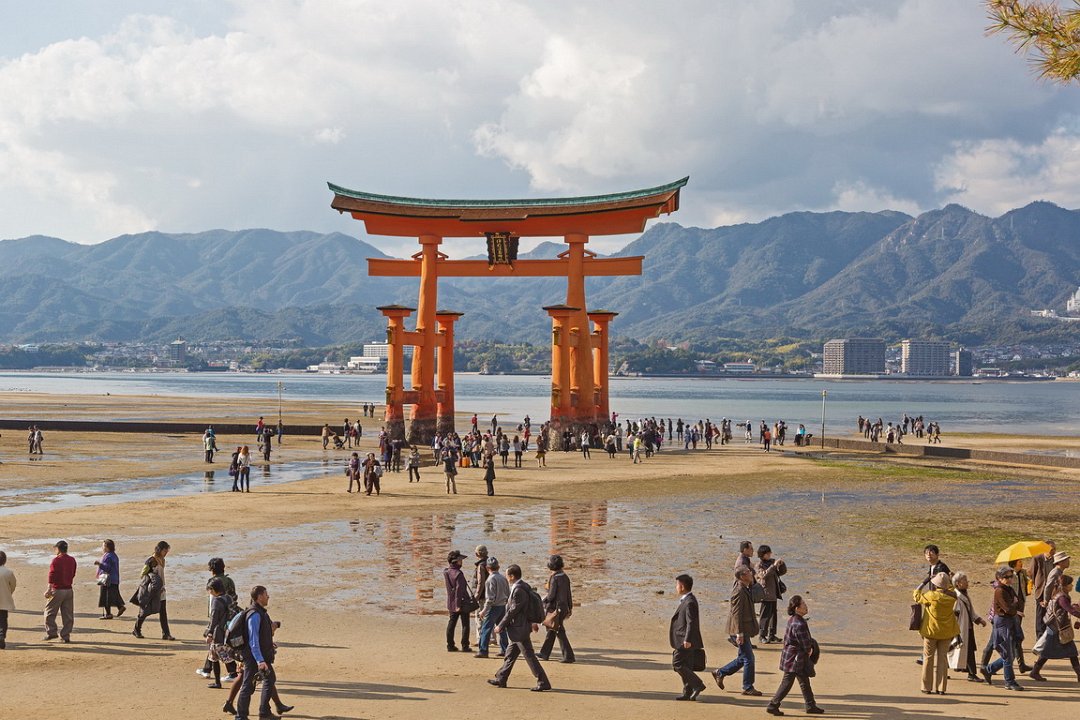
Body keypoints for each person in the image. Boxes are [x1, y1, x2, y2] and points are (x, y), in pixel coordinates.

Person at [488, 564, 551, 691]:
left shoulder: (519, 590)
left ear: (512, 576)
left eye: (507, 575)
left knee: (529, 656)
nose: (506, 577)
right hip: (518, 627)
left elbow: (513, 611)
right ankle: (502, 677)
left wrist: (500, 625)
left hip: (519, 628)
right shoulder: (522, 586)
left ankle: (543, 681)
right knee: (510, 655)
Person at [766, 595, 824, 715]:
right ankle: (773, 704)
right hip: (795, 658)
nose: (806, 606)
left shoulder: (793, 619)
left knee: (804, 681)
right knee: (787, 682)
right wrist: (810, 650)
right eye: (803, 604)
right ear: (797, 608)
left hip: (792, 656)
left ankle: (810, 705)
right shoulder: (799, 623)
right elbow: (805, 643)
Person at [236, 585, 283, 720]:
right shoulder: (255, 615)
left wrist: (269, 644)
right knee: (248, 686)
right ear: (260, 597)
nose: (268, 596)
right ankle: (242, 716)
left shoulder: (260, 612)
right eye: (266, 594)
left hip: (259, 655)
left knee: (269, 679)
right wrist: (260, 661)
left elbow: (261, 636)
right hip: (253, 656)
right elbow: (253, 640)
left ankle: (264, 713)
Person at [713, 566, 761, 695]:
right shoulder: (739, 591)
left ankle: (720, 672)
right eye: (748, 572)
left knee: (743, 658)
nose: (751, 573)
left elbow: (758, 597)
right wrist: (739, 633)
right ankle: (748, 687)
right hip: (738, 631)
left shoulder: (746, 587)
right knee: (749, 659)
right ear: (742, 576)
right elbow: (736, 613)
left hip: (742, 630)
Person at [913, 571, 958, 694]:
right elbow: (952, 590)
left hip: (930, 631)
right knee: (943, 659)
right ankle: (941, 688)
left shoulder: (930, 596)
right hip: (946, 632)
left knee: (928, 658)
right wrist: (951, 581)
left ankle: (926, 687)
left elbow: (916, 595)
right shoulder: (952, 597)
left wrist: (924, 581)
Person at [1030, 572, 1080, 681]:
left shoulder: (1060, 594)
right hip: (1056, 628)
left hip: (1056, 627)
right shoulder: (1062, 597)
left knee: (1070, 651)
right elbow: (1069, 610)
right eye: (1070, 584)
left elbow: (1067, 608)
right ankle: (1035, 671)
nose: (1072, 586)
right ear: (1065, 586)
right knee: (1050, 651)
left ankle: (1035, 671)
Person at [982, 565, 1025, 691]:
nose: (1010, 578)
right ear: (999, 578)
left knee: (1009, 655)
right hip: (1002, 623)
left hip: (1009, 621)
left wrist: (1015, 606)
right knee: (1007, 654)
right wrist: (1015, 605)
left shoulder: (1008, 589)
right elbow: (1009, 609)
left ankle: (989, 669)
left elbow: (1015, 606)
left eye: (1011, 576)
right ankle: (1009, 681)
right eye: (1006, 577)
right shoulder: (1000, 591)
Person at [670, 573, 706, 701]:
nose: (676, 587)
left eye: (677, 585)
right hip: (685, 638)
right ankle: (687, 691)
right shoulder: (688, 600)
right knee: (687, 664)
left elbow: (691, 622)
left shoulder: (689, 602)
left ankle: (698, 684)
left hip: (685, 640)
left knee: (677, 663)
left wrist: (687, 639)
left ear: (682, 586)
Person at [948, 572, 987, 682]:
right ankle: (970, 673)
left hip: (966, 627)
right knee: (954, 649)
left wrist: (978, 620)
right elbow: (954, 613)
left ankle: (970, 673)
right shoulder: (957, 596)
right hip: (960, 628)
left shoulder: (964, 594)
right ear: (958, 583)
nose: (967, 582)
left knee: (964, 650)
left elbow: (970, 611)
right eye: (965, 580)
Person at [133, 541, 175, 640]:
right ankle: (136, 629)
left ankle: (166, 634)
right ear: (160, 550)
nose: (166, 553)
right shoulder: (151, 560)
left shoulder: (162, 560)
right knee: (145, 611)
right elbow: (143, 574)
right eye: (165, 550)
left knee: (163, 612)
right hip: (152, 591)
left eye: (167, 550)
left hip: (161, 590)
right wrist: (152, 582)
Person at [538, 554, 574, 663]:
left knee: (558, 631)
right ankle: (544, 653)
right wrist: (570, 607)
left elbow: (551, 596)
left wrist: (541, 602)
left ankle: (569, 656)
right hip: (564, 608)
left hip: (555, 609)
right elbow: (569, 594)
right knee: (552, 629)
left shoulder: (554, 578)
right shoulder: (565, 576)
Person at [476, 556, 510, 659]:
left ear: (487, 568)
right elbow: (508, 593)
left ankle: (483, 651)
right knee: (502, 628)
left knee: (486, 628)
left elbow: (490, 599)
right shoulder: (503, 578)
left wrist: (483, 611)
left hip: (493, 607)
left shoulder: (490, 580)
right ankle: (505, 650)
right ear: (498, 567)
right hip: (502, 606)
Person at [43, 539, 76, 643]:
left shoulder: (56, 560)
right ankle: (66, 635)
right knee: (68, 614)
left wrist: (49, 589)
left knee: (49, 612)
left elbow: (52, 575)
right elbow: (73, 573)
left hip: (58, 589)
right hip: (69, 589)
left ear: (58, 549)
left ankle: (52, 632)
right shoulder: (72, 560)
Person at [756, 545, 787, 644]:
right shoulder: (759, 565)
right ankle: (762, 635)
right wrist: (773, 566)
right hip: (765, 594)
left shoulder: (771, 562)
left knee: (773, 615)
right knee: (765, 615)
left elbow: (781, 573)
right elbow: (763, 576)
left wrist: (781, 565)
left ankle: (772, 635)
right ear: (763, 555)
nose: (770, 554)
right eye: (768, 553)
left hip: (773, 593)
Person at [203, 578, 230, 688]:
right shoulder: (228, 598)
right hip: (228, 631)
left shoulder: (216, 601)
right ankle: (234, 676)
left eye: (210, 590)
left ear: (213, 590)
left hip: (218, 634)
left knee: (214, 657)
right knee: (230, 656)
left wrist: (209, 634)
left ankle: (218, 682)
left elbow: (214, 620)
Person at [444, 550, 473, 652]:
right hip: (462, 602)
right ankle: (465, 646)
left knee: (451, 623)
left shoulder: (446, 572)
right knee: (465, 624)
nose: (462, 562)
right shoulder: (459, 574)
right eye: (460, 560)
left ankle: (450, 645)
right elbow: (459, 590)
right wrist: (458, 604)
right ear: (455, 561)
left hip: (451, 602)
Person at [1030, 540, 1057, 637]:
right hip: (1041, 591)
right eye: (1051, 549)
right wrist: (1037, 584)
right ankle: (1039, 637)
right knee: (1040, 614)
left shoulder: (1055, 560)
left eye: (1054, 549)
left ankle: (1048, 636)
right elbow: (1032, 573)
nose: (1053, 551)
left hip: (1052, 591)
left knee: (1050, 613)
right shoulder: (1037, 559)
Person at [94, 539, 126, 620]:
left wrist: (99, 564)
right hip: (114, 579)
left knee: (105, 596)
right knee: (113, 595)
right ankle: (120, 607)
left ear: (107, 547)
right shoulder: (113, 555)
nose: (102, 547)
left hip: (108, 579)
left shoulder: (108, 556)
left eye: (103, 546)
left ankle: (109, 614)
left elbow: (107, 568)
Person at [0, 551, 15, 649]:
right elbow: (13, 585)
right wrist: (8, 593)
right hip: (4, 600)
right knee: (3, 619)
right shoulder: (8, 572)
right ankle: (1, 634)